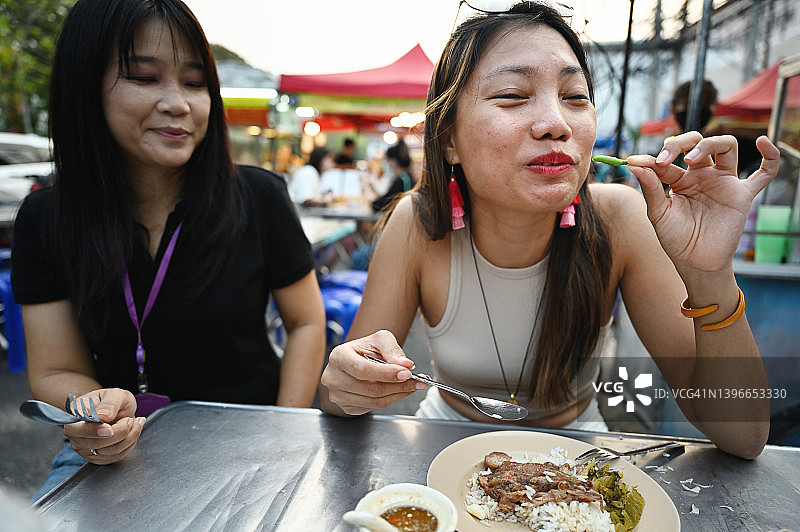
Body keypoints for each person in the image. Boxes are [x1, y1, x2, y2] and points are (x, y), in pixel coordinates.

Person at [318, 1, 779, 460]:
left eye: (575, 97)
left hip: (579, 460)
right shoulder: (418, 222)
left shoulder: (622, 218)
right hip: (442, 452)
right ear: (449, 140)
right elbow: (342, 400)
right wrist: (345, 384)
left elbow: (743, 436)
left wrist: (710, 272)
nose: (557, 124)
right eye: (514, 95)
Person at [12, 0, 326, 498]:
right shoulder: (47, 218)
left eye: (196, 82)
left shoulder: (259, 196)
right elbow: (53, 369)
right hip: (121, 450)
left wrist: (281, 429)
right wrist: (94, 414)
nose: (178, 102)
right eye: (144, 77)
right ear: (84, 86)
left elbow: (307, 324)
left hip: (249, 434)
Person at [671, 79, 761, 175]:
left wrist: (728, 129)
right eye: (689, 104)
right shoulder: (667, 151)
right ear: (673, 109)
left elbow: (769, 138)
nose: (699, 112)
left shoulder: (725, 147)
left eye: (705, 106)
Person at [371, 139, 415, 212]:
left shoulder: (403, 179)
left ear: (393, 161)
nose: (388, 165)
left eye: (388, 161)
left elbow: (386, 202)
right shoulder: (407, 177)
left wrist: (372, 204)